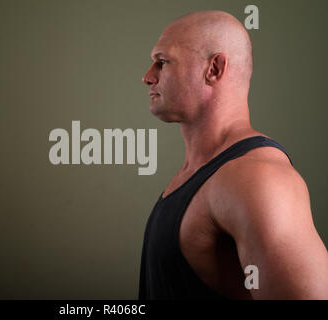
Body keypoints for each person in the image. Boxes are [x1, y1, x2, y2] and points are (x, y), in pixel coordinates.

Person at [138, 10, 328, 299]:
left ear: (213, 69)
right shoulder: (201, 172)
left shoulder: (256, 178)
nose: (148, 77)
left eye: (162, 62)